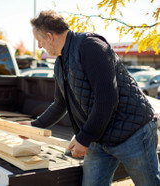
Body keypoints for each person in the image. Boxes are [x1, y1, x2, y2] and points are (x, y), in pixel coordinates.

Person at [20, 10, 160, 186]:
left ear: (49, 36)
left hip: (133, 132)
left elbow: (107, 99)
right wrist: (35, 126)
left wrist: (84, 138)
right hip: (99, 138)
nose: (39, 46)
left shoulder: (90, 46)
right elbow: (60, 104)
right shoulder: (60, 63)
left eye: (39, 41)